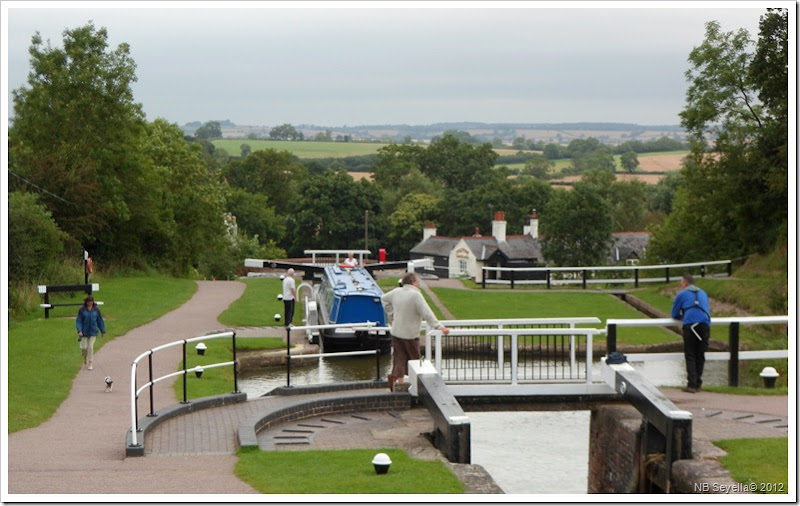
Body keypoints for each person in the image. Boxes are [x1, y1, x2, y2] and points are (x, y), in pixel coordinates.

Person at [381, 272, 449, 391]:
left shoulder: (396, 292)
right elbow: (427, 313)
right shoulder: (416, 295)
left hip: (396, 332)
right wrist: (439, 327)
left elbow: (383, 298)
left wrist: (391, 313)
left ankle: (397, 384)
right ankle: (418, 386)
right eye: (417, 281)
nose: (418, 284)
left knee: (399, 358)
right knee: (415, 360)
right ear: (413, 282)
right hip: (410, 334)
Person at [671, 273, 711, 393]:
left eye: (681, 283)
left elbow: (674, 314)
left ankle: (692, 384)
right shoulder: (703, 293)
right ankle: (698, 383)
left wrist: (683, 316)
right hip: (704, 325)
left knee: (690, 354)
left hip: (691, 325)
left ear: (686, 283)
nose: (681, 285)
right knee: (700, 354)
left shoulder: (682, 294)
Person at [75, 295, 106, 370]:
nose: (90, 303)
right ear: (86, 302)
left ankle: (90, 362)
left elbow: (99, 320)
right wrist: (79, 330)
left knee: (90, 347)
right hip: (84, 332)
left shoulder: (96, 310)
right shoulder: (82, 310)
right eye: (89, 302)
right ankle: (85, 359)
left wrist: (103, 331)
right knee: (84, 348)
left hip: (93, 332)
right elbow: (79, 321)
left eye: (91, 302)